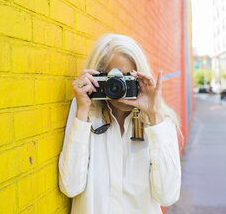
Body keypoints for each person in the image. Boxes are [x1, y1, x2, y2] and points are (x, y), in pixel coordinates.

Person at [58, 34, 182, 214]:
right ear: (98, 78)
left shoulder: (159, 122)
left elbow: (167, 196)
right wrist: (82, 112)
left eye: (127, 78)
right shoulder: (86, 114)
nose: (119, 87)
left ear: (140, 76)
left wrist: (155, 117)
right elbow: (70, 187)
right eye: (113, 80)